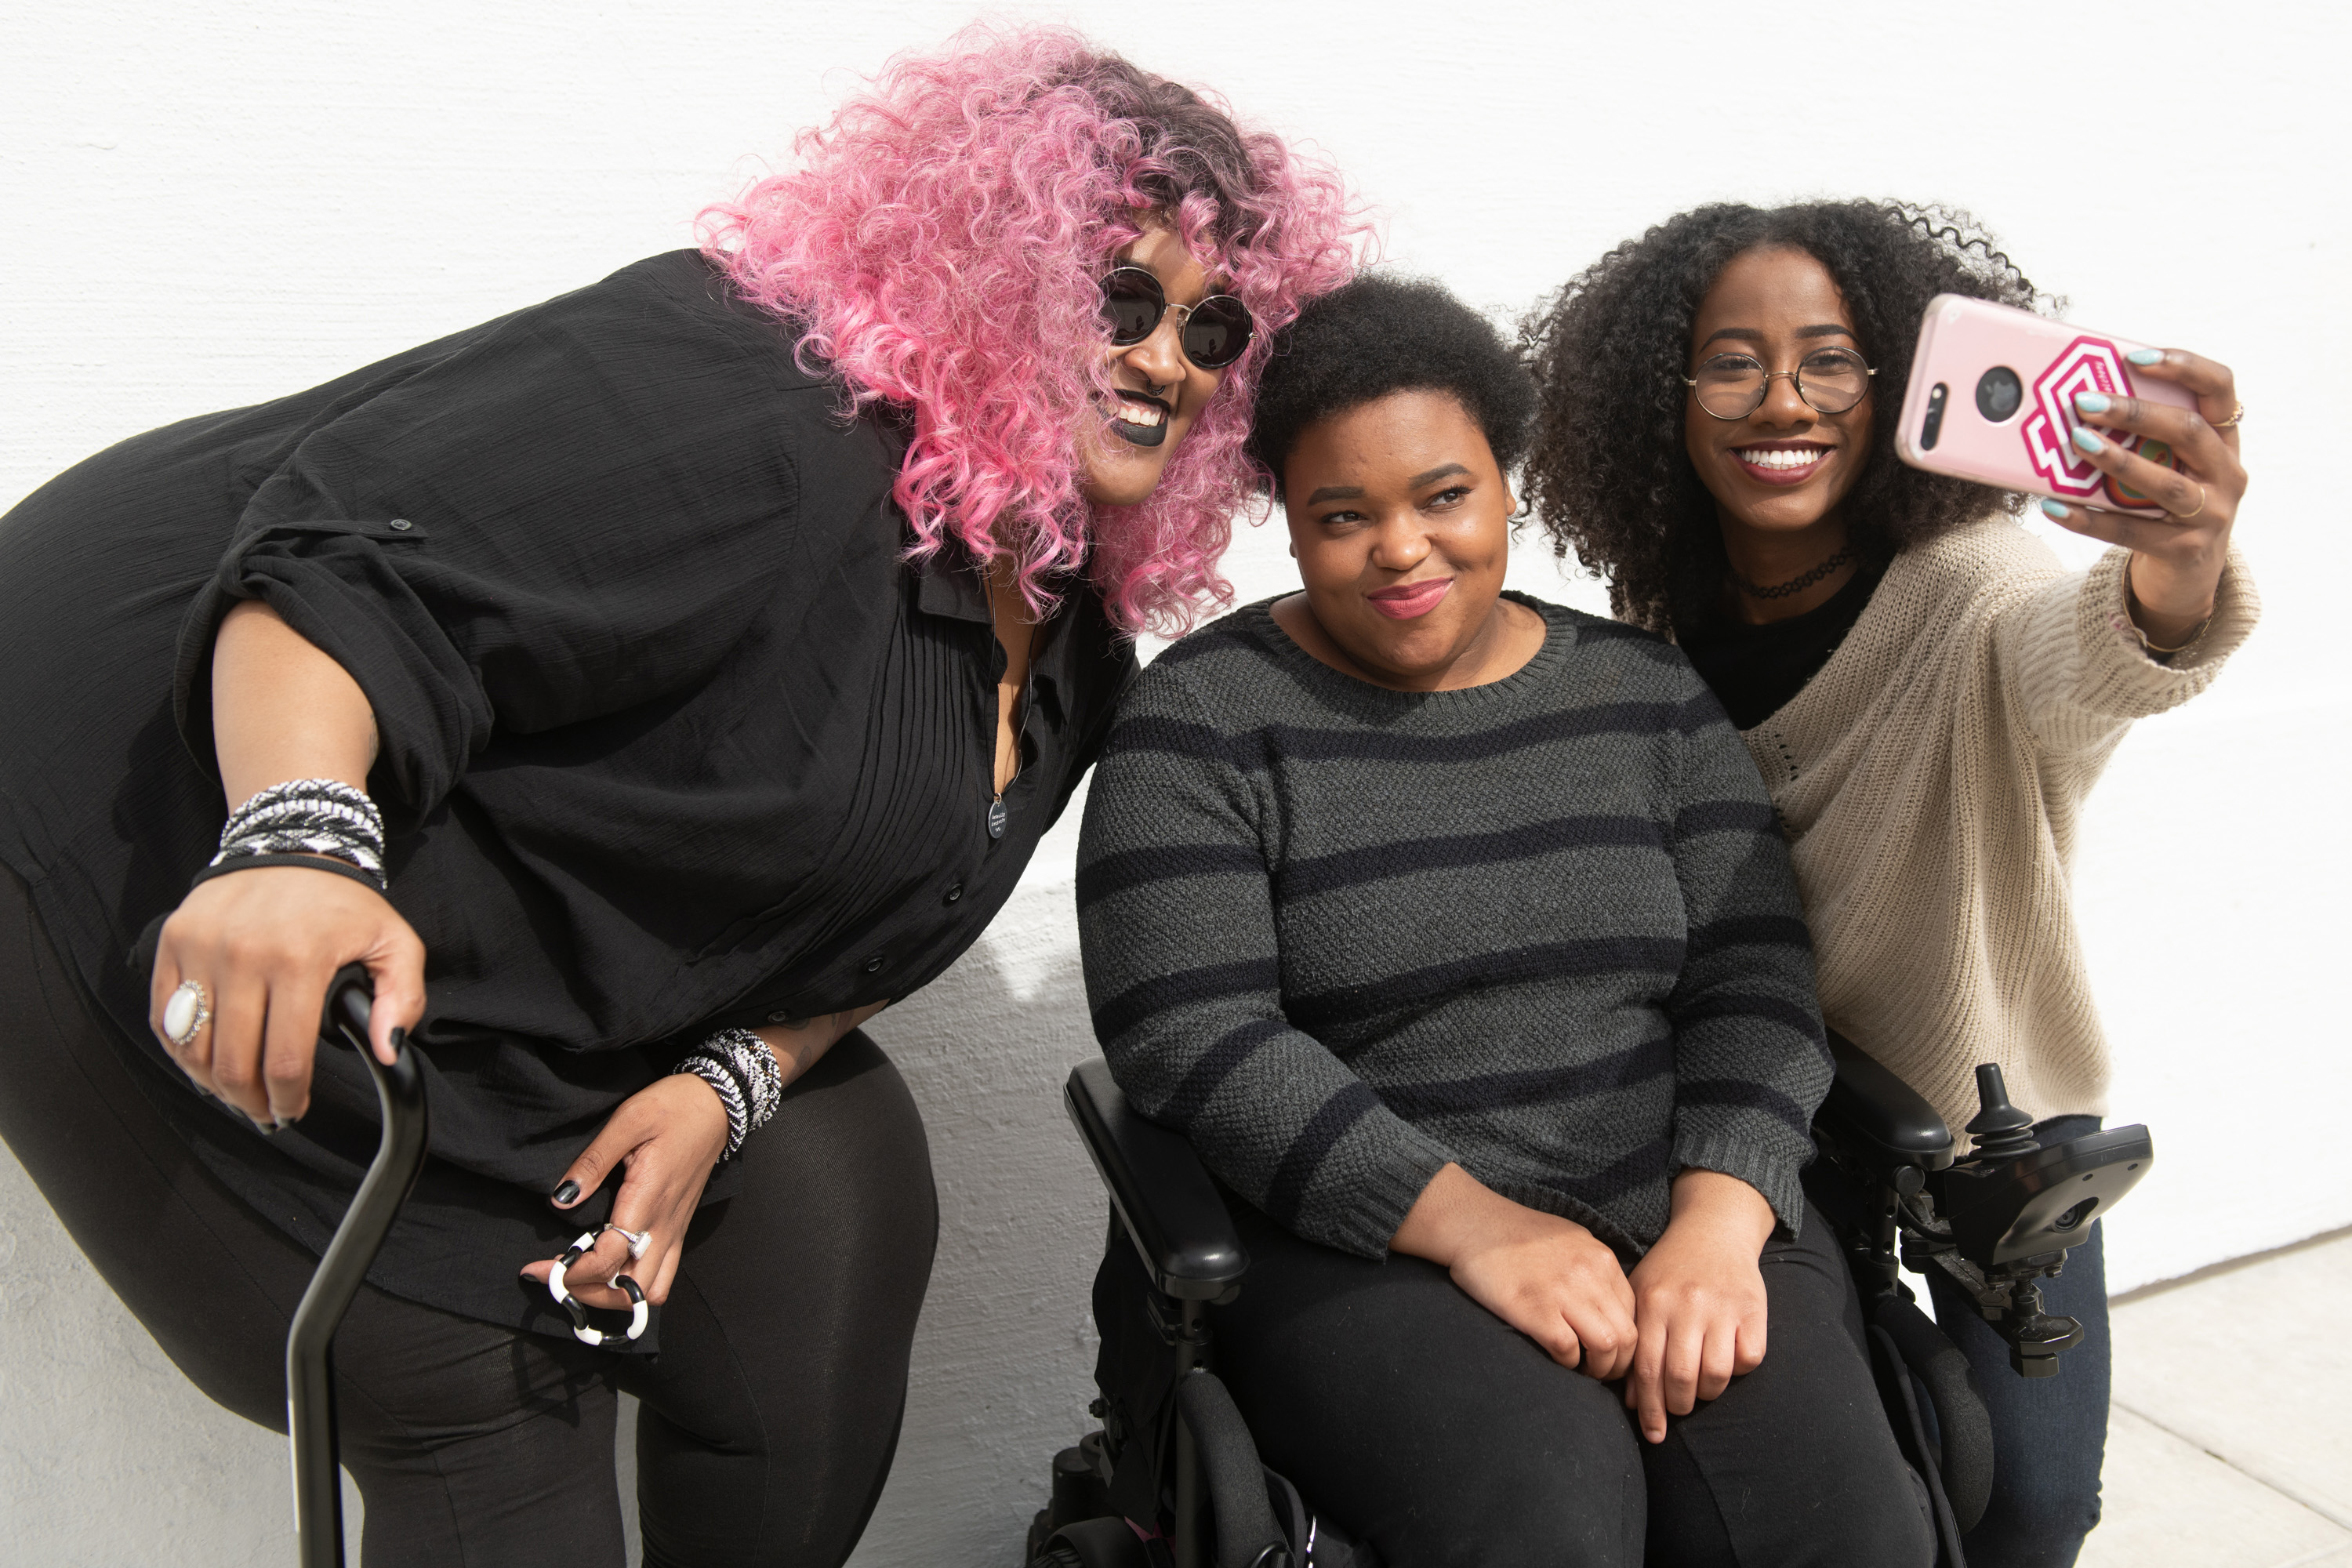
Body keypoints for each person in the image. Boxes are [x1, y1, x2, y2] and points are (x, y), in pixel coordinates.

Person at [0, 27, 1362, 1567]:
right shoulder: (749, 401)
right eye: (1121, 296)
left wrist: (738, 1078)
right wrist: (297, 834)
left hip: (481, 914)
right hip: (131, 788)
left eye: (1216, 327)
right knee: (486, 1390)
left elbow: (890, 915)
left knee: (839, 1198)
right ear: (1001, 266)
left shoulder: (1071, 630)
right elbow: (350, 571)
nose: (1167, 358)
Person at [1076, 274, 1936, 1567]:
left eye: (1444, 496)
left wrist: (1719, 1221)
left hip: (1668, 1197)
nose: (1404, 550)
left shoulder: (1645, 698)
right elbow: (1192, 1038)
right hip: (1371, 1238)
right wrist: (1477, 1225)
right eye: (1343, 515)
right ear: (1290, 527)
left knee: (1842, 1532)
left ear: (1506, 483)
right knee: (1546, 1522)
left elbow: (1753, 981)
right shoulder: (1204, 724)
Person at [1520, 201, 2259, 1568]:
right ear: (1661, 402)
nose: (1781, 398)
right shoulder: (1655, 619)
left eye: (1832, 358)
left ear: (1903, 385)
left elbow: (2089, 660)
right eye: (1729, 361)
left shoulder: (1973, 587)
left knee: (2031, 1508)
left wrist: (2179, 560)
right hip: (1760, 1109)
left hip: (1984, 1124)